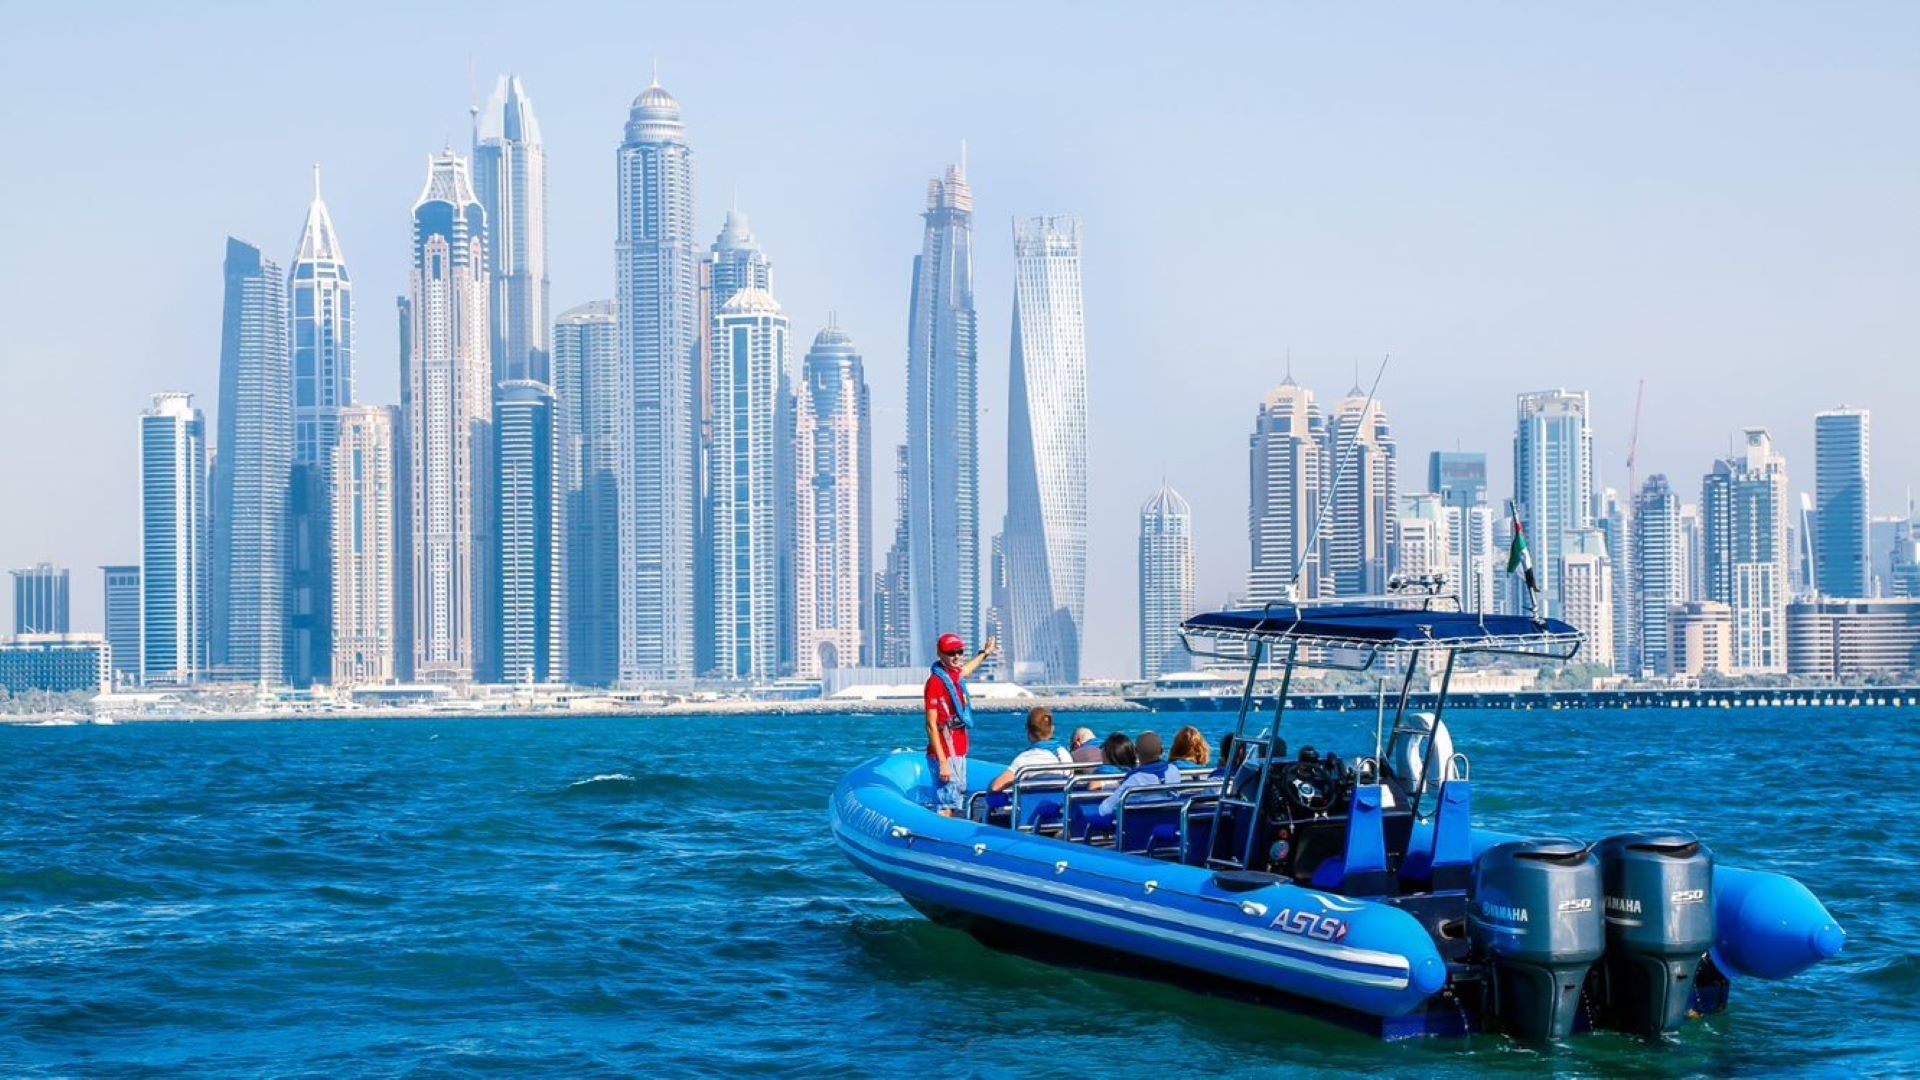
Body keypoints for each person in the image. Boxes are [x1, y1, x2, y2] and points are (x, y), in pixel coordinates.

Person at [925, 631, 997, 816]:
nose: (956, 656)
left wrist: (985, 653)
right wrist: (943, 762)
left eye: (959, 652)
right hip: (946, 751)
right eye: (951, 653)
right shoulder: (935, 683)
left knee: (956, 797)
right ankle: (941, 836)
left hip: (958, 748)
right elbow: (931, 725)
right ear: (940, 654)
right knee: (947, 802)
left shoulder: (954, 675)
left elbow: (967, 669)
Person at [1098, 731, 1184, 817]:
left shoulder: (1136, 778)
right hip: (1171, 821)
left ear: (1136, 752)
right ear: (1162, 751)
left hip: (1140, 826)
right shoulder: (1174, 770)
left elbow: (1105, 809)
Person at [990, 708, 1074, 792]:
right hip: (1061, 802)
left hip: (1034, 804)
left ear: (1029, 731)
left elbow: (996, 787)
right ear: (1052, 729)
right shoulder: (1064, 753)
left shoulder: (1026, 758)